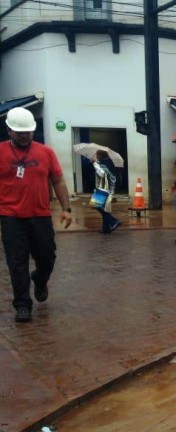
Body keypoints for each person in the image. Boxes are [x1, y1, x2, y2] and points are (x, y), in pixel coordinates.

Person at [0, 107, 72, 323]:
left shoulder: (46, 152)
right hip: (11, 217)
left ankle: (40, 280)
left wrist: (66, 209)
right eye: (20, 132)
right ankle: (22, 304)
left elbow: (58, 181)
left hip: (40, 215)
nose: (25, 135)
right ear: (9, 131)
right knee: (17, 262)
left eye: (28, 132)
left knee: (47, 257)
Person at [92, 150, 121, 234]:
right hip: (106, 188)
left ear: (101, 155)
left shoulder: (104, 164)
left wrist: (94, 163)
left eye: (97, 154)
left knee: (96, 205)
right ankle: (106, 229)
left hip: (103, 188)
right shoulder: (108, 162)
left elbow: (102, 174)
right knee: (104, 208)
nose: (96, 156)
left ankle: (114, 221)